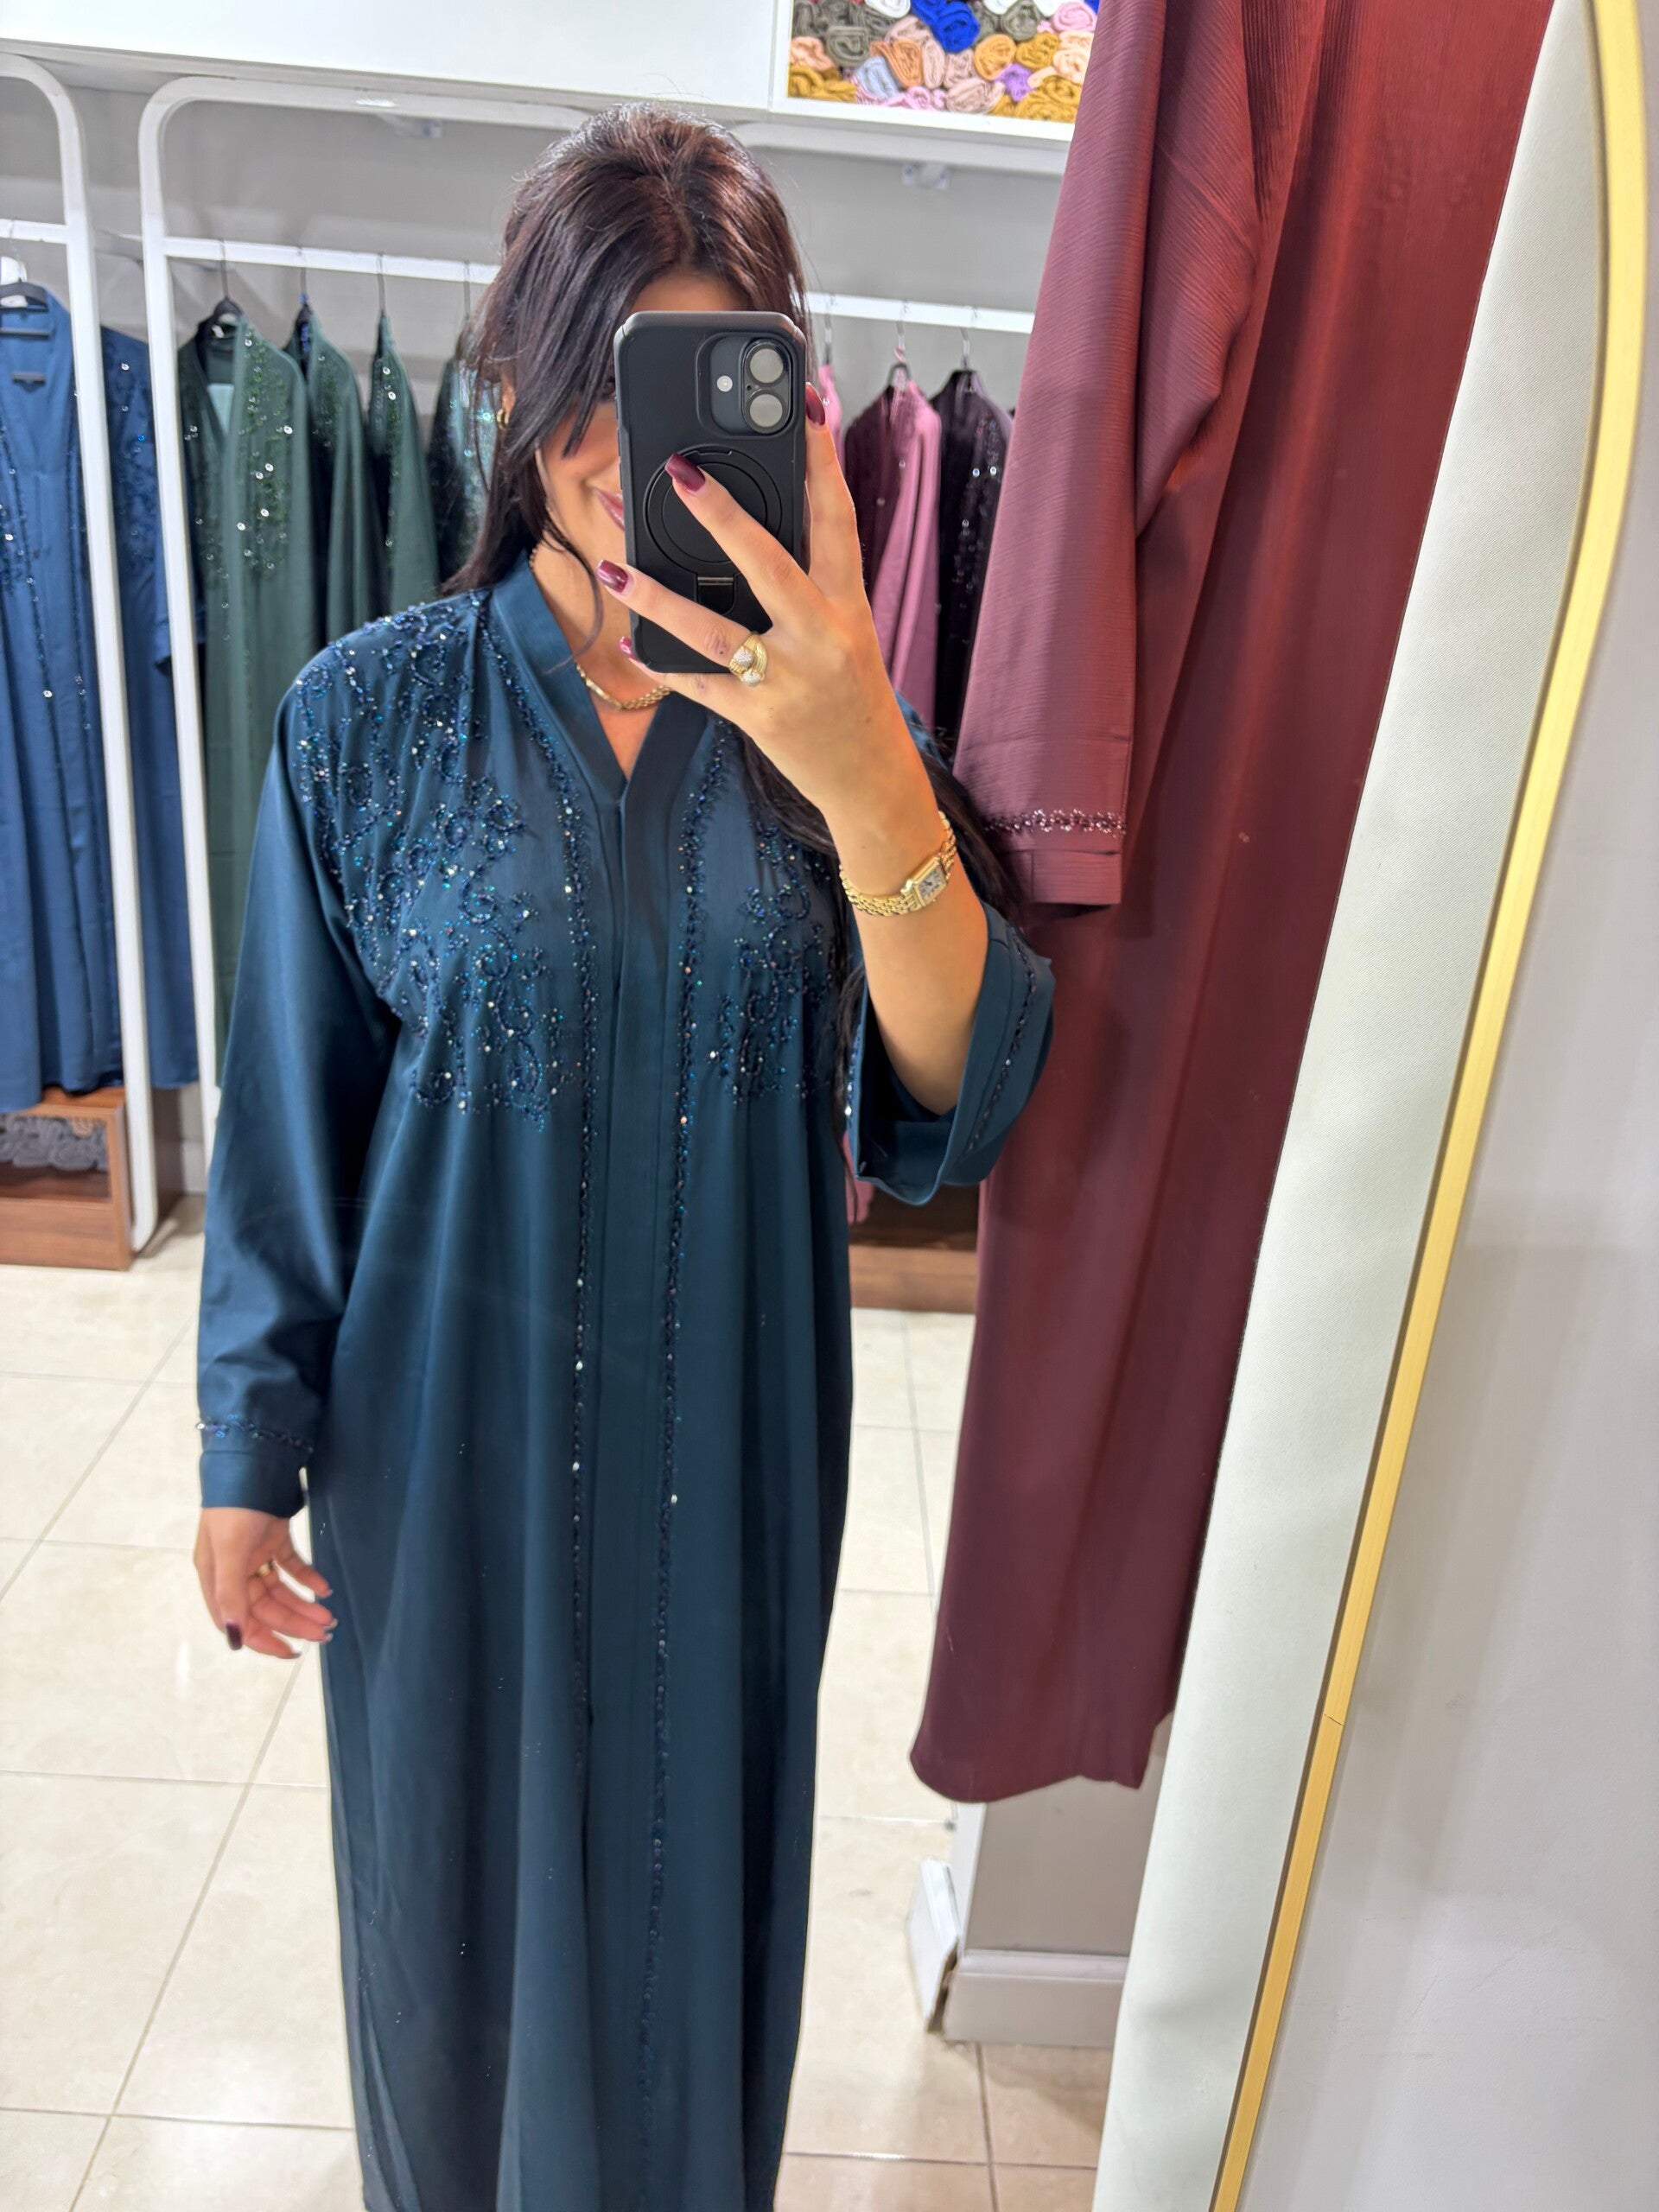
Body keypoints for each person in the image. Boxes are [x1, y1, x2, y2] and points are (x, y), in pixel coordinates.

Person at [191, 105, 1053, 2212]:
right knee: (450, 1949)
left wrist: (863, 768)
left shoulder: (832, 731)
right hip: (444, 1473)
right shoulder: (366, 721)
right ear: (517, 370)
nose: (619, 447)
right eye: (592, 372)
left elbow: (959, 1094)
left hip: (727, 1474)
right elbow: (291, 1122)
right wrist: (242, 1449)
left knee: (689, 1950)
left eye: (683, 381)